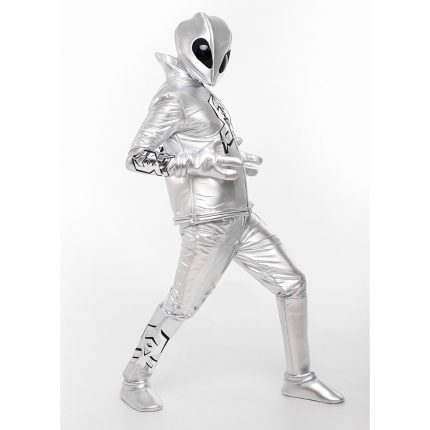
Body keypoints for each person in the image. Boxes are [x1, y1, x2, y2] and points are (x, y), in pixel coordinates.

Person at [121, 12, 344, 412]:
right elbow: (137, 157)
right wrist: (193, 164)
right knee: (181, 305)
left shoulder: (201, 93)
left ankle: (299, 378)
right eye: (208, 52)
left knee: (292, 283)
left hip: (240, 217)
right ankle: (133, 378)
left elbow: (207, 145)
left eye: (221, 55)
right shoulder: (173, 97)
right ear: (188, 47)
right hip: (207, 225)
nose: (215, 63)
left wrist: (237, 156)